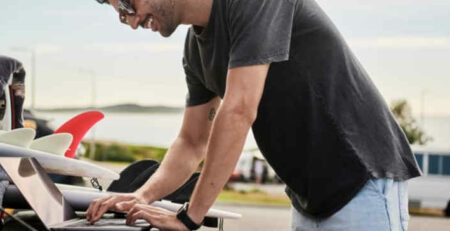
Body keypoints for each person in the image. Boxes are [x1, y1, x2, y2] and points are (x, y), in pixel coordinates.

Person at [87, 0, 422, 230]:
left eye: (128, 7)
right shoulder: (195, 51)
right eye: (121, 16)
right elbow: (191, 142)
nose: (131, 22)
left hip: (363, 179)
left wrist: (190, 217)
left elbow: (238, 110)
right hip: (309, 198)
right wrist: (142, 194)